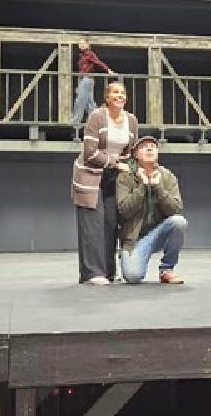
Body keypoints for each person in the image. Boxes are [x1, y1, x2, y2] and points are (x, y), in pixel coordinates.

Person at [71, 82, 138, 285]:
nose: (120, 96)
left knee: (110, 223)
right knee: (93, 224)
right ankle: (92, 273)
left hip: (113, 176)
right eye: (115, 92)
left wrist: (131, 169)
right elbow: (89, 152)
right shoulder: (97, 116)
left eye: (123, 93)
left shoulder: (131, 120)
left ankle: (108, 272)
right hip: (90, 174)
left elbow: (132, 151)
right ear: (107, 98)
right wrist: (115, 163)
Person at [116, 136, 187, 284]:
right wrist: (142, 186)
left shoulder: (167, 176)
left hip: (158, 233)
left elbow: (175, 209)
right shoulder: (125, 177)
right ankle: (127, 256)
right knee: (133, 276)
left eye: (152, 147)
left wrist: (157, 188)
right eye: (144, 147)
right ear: (136, 154)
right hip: (134, 240)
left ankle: (166, 269)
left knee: (179, 222)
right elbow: (124, 210)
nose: (149, 149)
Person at [70, 39, 114, 124]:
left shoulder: (89, 54)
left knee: (80, 100)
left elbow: (98, 62)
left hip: (87, 78)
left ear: (87, 45)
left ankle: (75, 120)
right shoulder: (81, 55)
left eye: (83, 43)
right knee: (89, 102)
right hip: (83, 79)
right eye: (80, 44)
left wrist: (108, 70)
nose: (81, 45)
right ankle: (97, 120)